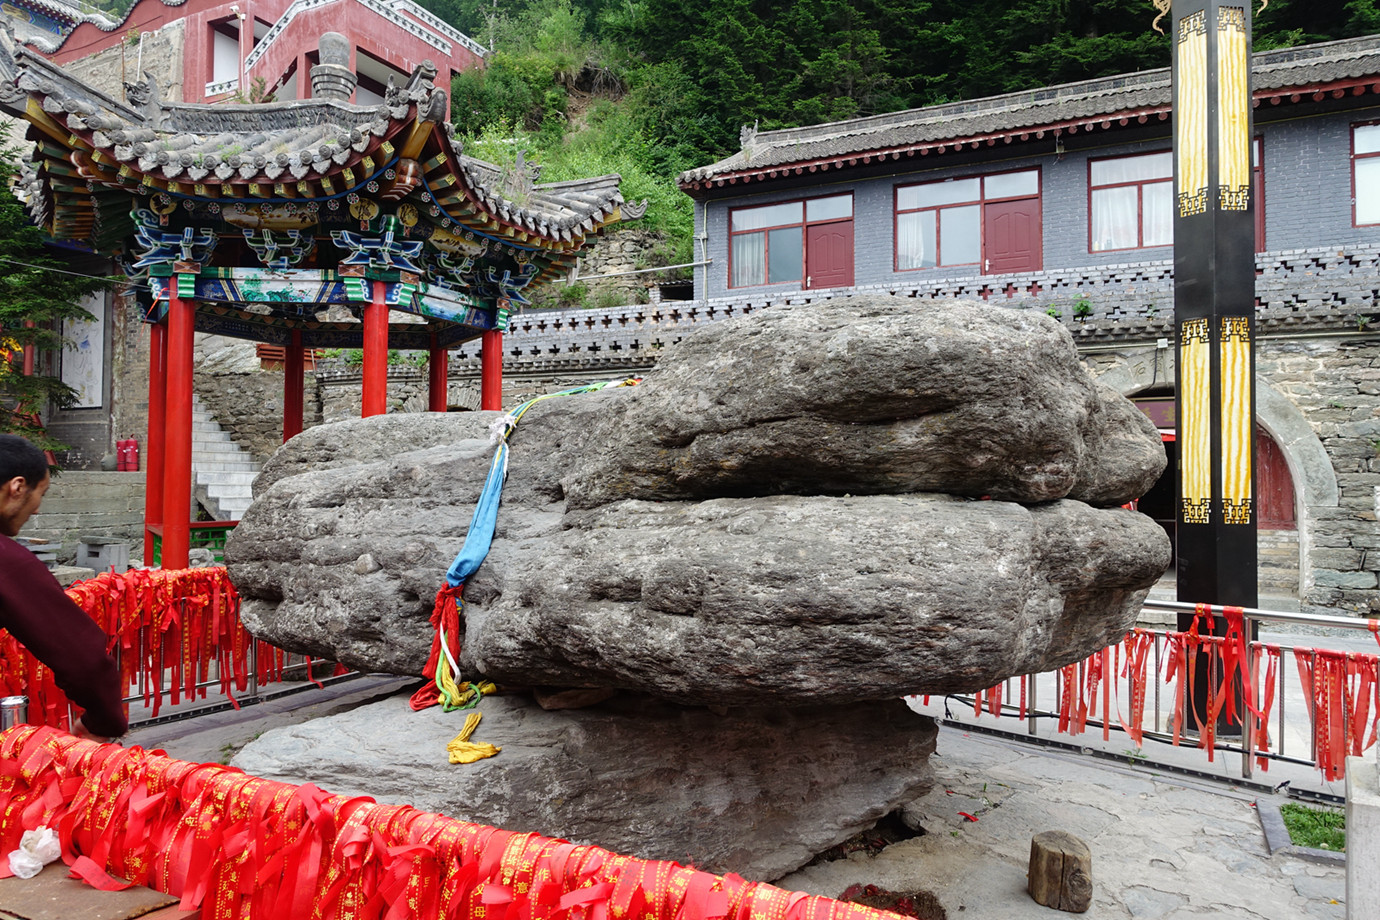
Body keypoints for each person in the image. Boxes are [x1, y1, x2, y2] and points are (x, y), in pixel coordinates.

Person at [0, 434, 127, 741]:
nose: (37, 510)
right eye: (40, 494)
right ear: (17, 488)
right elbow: (85, 660)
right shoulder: (8, 562)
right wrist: (103, 721)